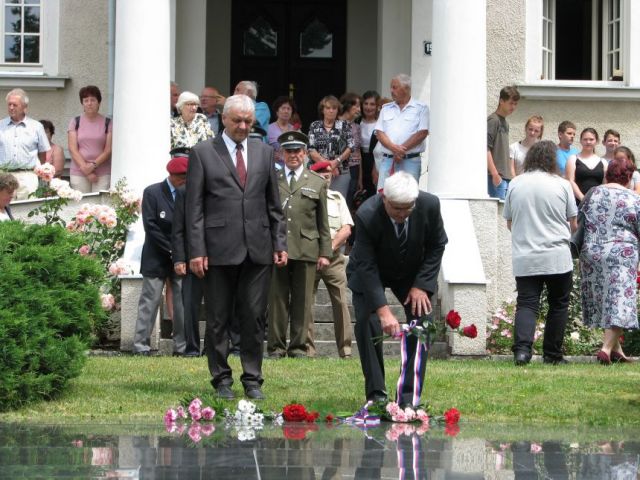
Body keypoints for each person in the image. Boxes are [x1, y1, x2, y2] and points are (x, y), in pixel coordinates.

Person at [185, 94, 287, 400]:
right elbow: (194, 208)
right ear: (224, 119)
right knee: (218, 318)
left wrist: (279, 242)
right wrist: (196, 250)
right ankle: (221, 379)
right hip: (217, 250)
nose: (243, 126)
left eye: (248, 121)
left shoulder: (264, 152)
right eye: (237, 121)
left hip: (258, 248)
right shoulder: (202, 153)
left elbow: (274, 203)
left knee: (254, 316)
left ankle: (253, 379)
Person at [347, 171, 447, 407]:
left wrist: (422, 285)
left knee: (423, 322)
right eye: (396, 209)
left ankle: (407, 396)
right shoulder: (367, 215)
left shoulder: (430, 205)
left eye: (407, 208)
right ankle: (376, 393)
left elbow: (437, 245)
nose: (402, 214)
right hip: (371, 269)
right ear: (384, 200)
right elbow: (367, 266)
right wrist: (383, 311)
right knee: (367, 320)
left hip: (410, 270)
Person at [504, 141, 578, 365]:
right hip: (557, 256)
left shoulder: (516, 183)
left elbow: (509, 222)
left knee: (527, 303)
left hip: (526, 255)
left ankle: (522, 351)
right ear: (552, 160)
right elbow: (573, 223)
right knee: (558, 304)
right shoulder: (562, 185)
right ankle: (552, 354)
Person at [267, 131, 332, 358]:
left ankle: (298, 347)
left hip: (306, 248)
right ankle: (275, 347)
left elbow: (322, 222)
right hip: (278, 248)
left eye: (297, 151)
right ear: (281, 153)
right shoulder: (272, 180)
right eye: (289, 151)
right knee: (277, 301)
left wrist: (326, 253)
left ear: (305, 153)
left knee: (303, 302)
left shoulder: (317, 182)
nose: (293, 155)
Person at [579, 154, 640, 365]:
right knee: (619, 302)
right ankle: (605, 349)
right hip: (621, 254)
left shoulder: (592, 193)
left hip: (592, 253)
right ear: (629, 176)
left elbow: (581, 221)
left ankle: (617, 351)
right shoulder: (634, 199)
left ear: (607, 174)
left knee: (606, 301)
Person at [133, 157, 187, 356]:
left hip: (180, 257)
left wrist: (180, 252)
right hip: (156, 254)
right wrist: (172, 249)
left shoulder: (189, 192)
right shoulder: (152, 192)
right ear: (172, 176)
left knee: (181, 302)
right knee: (149, 301)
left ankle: (181, 347)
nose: (185, 181)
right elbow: (151, 226)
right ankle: (141, 346)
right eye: (182, 177)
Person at [306, 160, 354, 358]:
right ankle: (307, 350)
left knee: (341, 303)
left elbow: (347, 228)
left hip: (333, 258)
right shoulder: (307, 196)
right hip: (309, 256)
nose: (326, 176)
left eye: (328, 173)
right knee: (306, 303)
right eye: (321, 173)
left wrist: (328, 249)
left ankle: (346, 350)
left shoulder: (337, 198)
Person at [170, 147, 202, 358]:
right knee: (190, 306)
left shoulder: (218, 189)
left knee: (218, 308)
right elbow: (178, 228)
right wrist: (179, 258)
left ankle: (213, 347)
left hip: (218, 257)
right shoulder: (183, 192)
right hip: (191, 258)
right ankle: (191, 347)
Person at [375, 74, 429, 189]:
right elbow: (379, 133)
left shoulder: (421, 108)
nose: (391, 90)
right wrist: (394, 149)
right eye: (391, 87)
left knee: (408, 197)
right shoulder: (386, 108)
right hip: (388, 161)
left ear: (406, 88)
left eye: (395, 87)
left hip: (410, 161)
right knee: (384, 197)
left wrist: (400, 151)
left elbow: (422, 133)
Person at [0, 88, 50, 200]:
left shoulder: (36, 127)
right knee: (5, 212)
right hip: (5, 176)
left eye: (15, 105)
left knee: (27, 210)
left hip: (28, 176)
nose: (11, 107)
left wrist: (40, 174)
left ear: (24, 108)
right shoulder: (0, 126)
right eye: (9, 104)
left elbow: (43, 154)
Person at [67, 85, 112, 193]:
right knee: (81, 206)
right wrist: (87, 171)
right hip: (79, 172)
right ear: (82, 103)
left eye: (93, 100)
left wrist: (93, 166)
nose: (89, 103)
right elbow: (72, 149)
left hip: (102, 172)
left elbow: (108, 150)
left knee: (100, 207)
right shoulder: (75, 122)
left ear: (99, 102)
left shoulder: (108, 122)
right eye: (86, 100)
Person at [307, 95, 354, 199]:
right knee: (317, 203)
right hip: (318, 172)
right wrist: (328, 166)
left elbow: (351, 147)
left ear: (338, 110)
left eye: (334, 108)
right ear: (322, 110)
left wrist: (336, 162)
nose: (331, 111)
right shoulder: (315, 126)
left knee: (337, 204)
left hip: (340, 173)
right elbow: (311, 149)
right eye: (328, 108)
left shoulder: (345, 125)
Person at [487, 86, 519, 199]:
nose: (513, 107)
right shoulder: (493, 120)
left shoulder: (505, 123)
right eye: (511, 103)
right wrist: (494, 174)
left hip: (505, 177)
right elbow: (485, 148)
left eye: (515, 104)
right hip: (495, 178)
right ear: (501, 101)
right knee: (498, 215)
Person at [565, 128, 607, 205]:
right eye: (585, 139)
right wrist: (583, 199)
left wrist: (597, 201)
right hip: (577, 203)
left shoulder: (603, 162)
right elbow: (570, 181)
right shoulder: (573, 159)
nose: (588, 142)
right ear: (580, 141)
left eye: (591, 139)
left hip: (597, 204)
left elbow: (605, 185)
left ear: (596, 141)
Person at [339, 92, 362, 209]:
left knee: (349, 201)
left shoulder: (357, 126)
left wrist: (360, 178)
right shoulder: (336, 123)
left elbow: (358, 152)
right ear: (348, 106)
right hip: (339, 168)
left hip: (354, 169)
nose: (359, 109)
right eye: (356, 106)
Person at [359, 90, 380, 198]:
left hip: (375, 160)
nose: (368, 107)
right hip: (360, 159)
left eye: (372, 104)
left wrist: (375, 167)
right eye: (366, 104)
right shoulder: (358, 121)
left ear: (377, 106)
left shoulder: (381, 123)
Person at [267, 96, 296, 167]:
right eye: (283, 108)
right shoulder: (268, 129)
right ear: (277, 111)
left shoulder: (295, 130)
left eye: (289, 109)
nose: (286, 111)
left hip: (291, 167)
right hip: (273, 168)